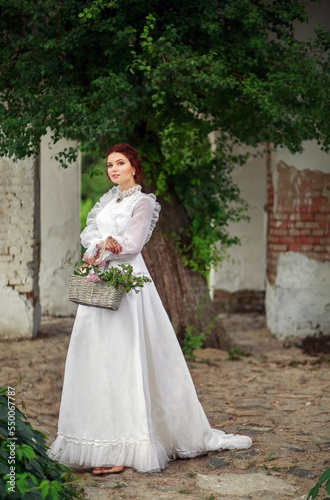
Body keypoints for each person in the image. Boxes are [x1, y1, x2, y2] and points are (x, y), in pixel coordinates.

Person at [48, 143, 252, 474]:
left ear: (134, 167)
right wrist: (97, 249)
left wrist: (112, 247)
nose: (113, 169)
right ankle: (96, 440)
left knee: (126, 360)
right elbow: (91, 235)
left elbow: (134, 243)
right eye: (109, 165)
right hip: (100, 282)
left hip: (128, 285)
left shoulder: (143, 202)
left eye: (120, 163)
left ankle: (127, 447)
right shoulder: (107, 201)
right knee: (97, 360)